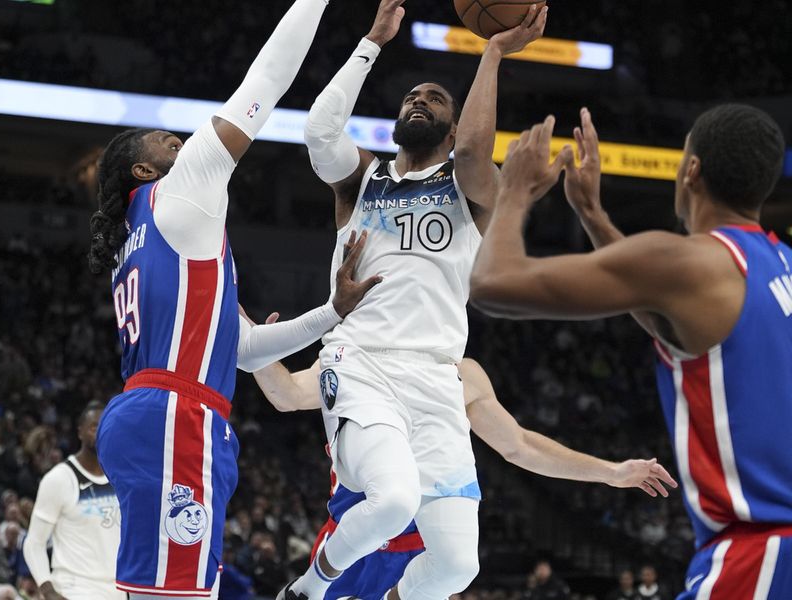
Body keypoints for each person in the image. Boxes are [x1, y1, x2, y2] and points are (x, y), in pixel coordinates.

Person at [87, 2, 381, 598]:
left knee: (162, 588)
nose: (177, 137)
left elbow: (242, 349)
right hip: (176, 416)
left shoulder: (143, 240)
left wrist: (331, 312)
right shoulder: (178, 191)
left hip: (156, 411)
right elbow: (266, 80)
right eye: (161, 139)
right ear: (144, 168)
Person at [282, 1, 550, 599]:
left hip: (436, 377)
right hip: (361, 360)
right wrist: (372, 42)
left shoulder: (472, 191)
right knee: (393, 499)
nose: (418, 101)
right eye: (411, 98)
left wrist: (492, 54)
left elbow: (480, 154)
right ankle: (308, 588)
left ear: (453, 130)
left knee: (458, 566)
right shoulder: (363, 181)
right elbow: (319, 132)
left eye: (434, 100)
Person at [469, 103, 791, 599]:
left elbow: (492, 285)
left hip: (762, 555)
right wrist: (594, 216)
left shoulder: (689, 261)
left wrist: (513, 191)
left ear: (691, 171)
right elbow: (664, 308)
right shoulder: (778, 262)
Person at [248, 354, 676, 600]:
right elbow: (285, 394)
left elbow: (519, 445)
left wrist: (610, 472)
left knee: (456, 565)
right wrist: (255, 343)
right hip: (353, 544)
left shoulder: (460, 373)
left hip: (419, 558)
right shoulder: (351, 357)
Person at [22, 402, 123, 600]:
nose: (101, 431)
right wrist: (48, 590)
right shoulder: (60, 478)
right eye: (94, 426)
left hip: (117, 589)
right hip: (76, 588)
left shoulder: (121, 477)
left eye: (106, 425)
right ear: (80, 432)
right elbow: (34, 542)